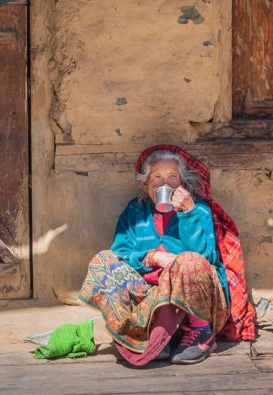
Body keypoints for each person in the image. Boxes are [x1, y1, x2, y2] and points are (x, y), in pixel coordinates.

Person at [78, 145, 255, 366]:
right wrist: (152, 257)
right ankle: (147, 336)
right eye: (157, 177)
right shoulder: (134, 212)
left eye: (173, 177)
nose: (165, 184)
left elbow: (207, 258)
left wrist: (188, 214)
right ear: (145, 184)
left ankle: (200, 335)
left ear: (182, 183)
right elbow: (120, 254)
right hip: (152, 303)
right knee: (102, 261)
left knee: (189, 261)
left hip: (196, 304)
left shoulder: (197, 209)